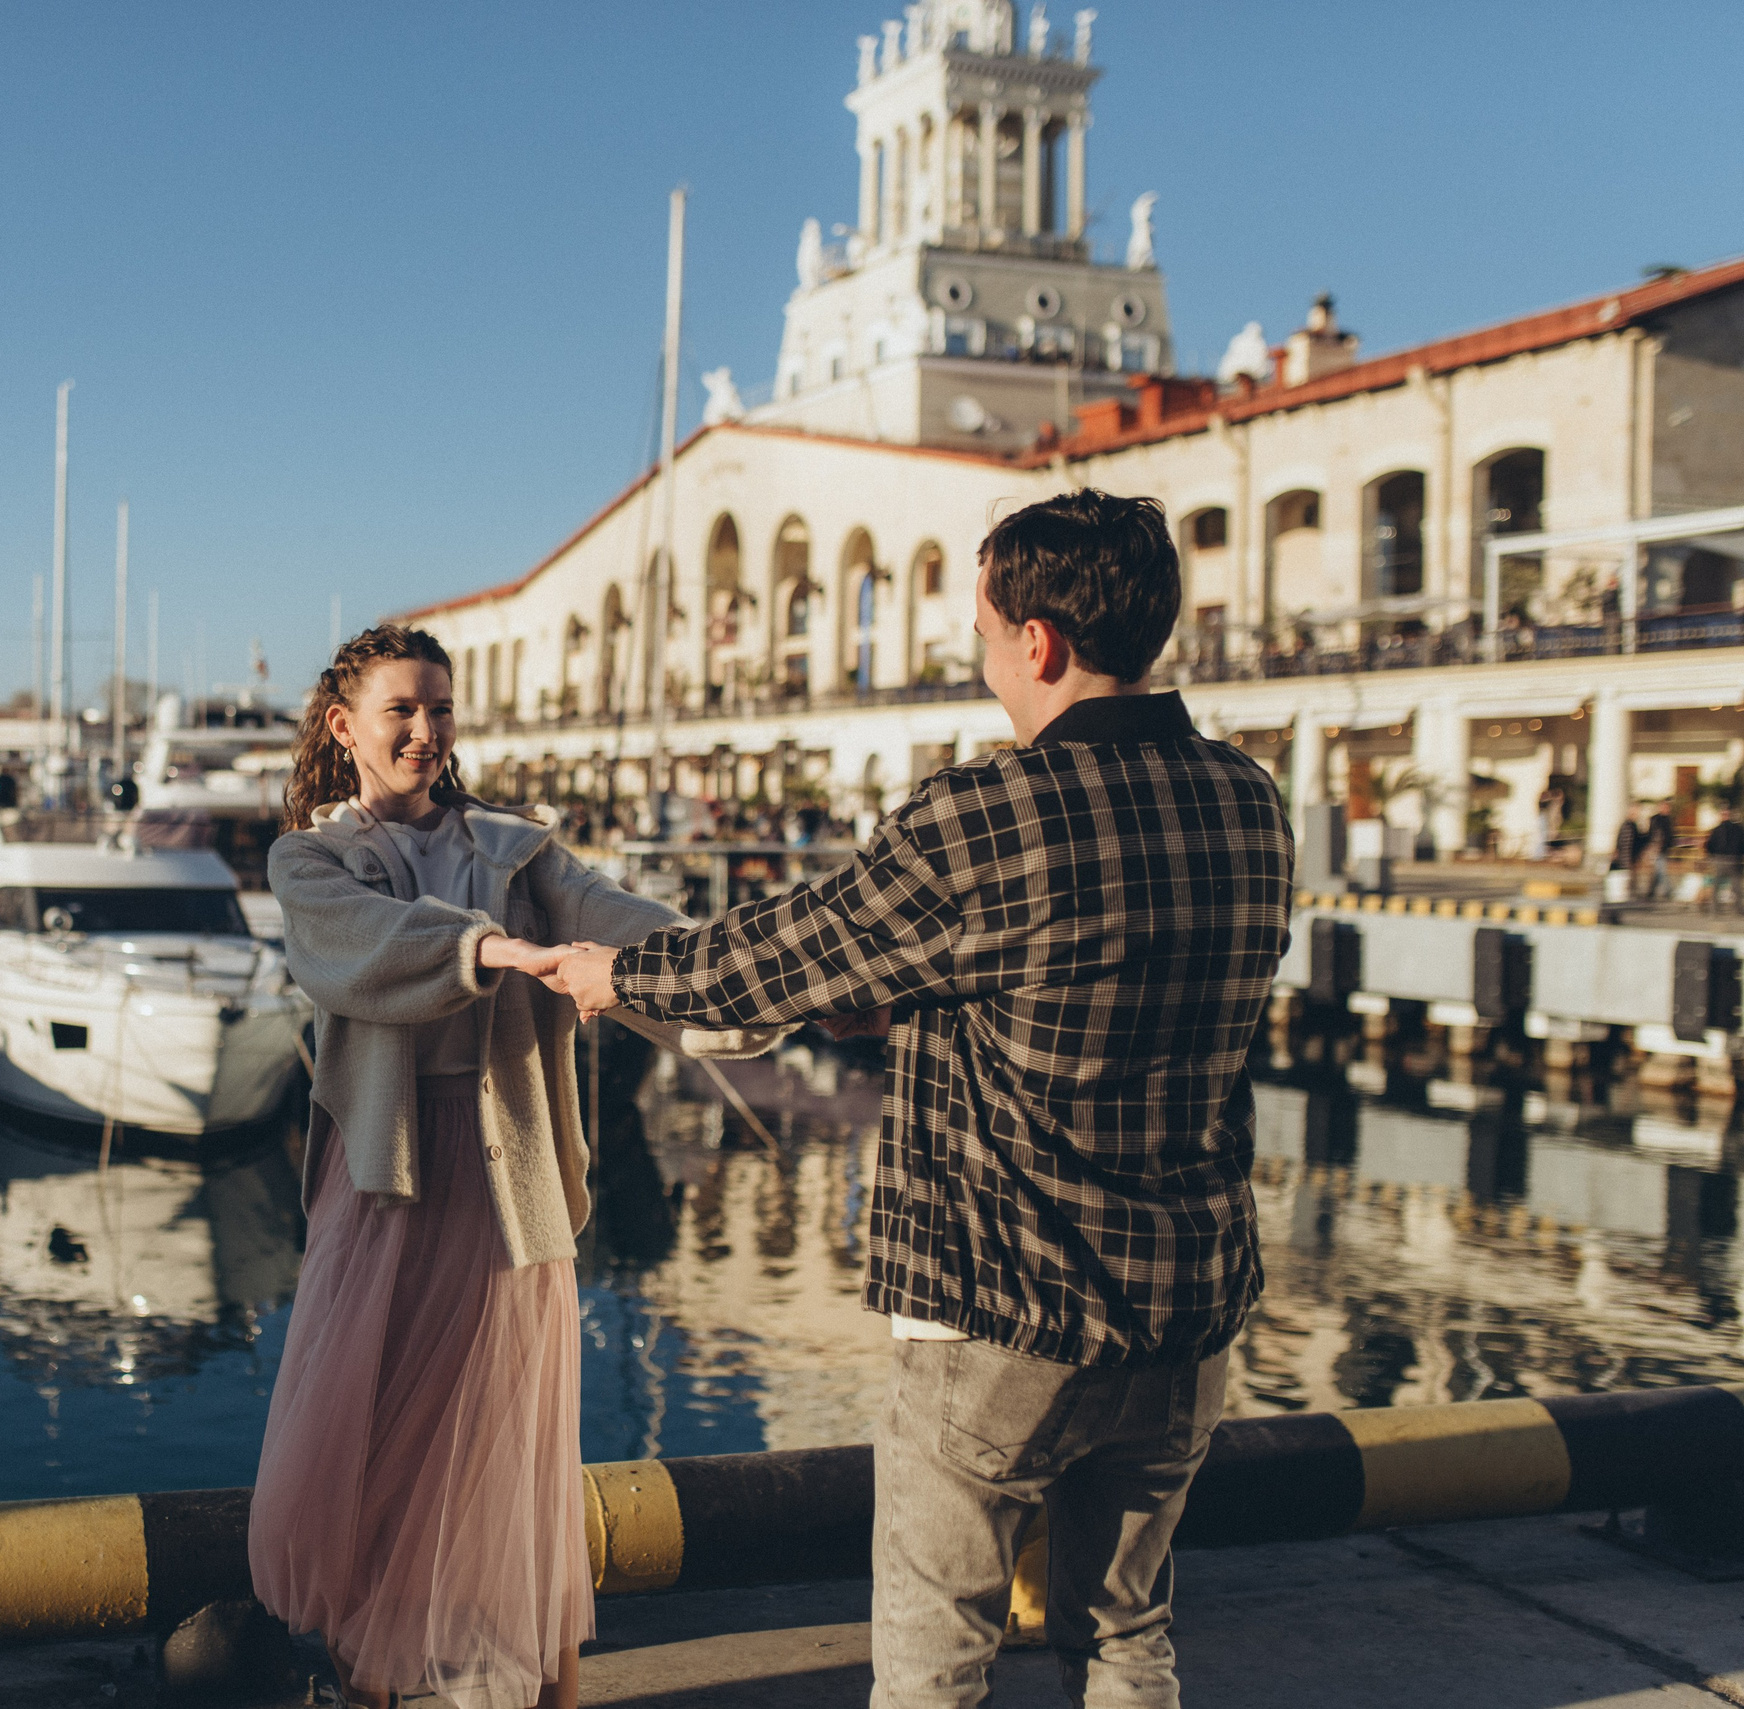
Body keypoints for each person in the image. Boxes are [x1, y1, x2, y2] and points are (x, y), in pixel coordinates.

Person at [549, 491, 1292, 1709]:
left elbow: (774, 957)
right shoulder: (1247, 799)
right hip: (1186, 1302)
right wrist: (910, 1002)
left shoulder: (986, 811)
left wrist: (610, 971)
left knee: (933, 1658)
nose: (986, 659)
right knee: (1124, 1632)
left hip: (1007, 1299)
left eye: (989, 632)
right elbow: (1101, 973)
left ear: (1039, 642)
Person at [247, 624, 771, 1709]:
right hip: (388, 1182)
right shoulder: (313, 859)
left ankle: (546, 1691)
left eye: (440, 708)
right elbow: (364, 946)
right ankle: (366, 1687)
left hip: (508, 1181)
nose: (427, 731)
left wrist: (759, 987)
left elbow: (643, 937)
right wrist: (496, 950)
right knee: (366, 1441)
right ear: (346, 725)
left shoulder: (520, 854)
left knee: (512, 1446)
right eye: (403, 709)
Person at [1704, 808, 1744, 914]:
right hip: (1733, 860)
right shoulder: (1738, 829)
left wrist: (1712, 856)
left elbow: (1709, 845)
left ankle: (1715, 909)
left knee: (1717, 886)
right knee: (1736, 886)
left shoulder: (1717, 829)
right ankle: (1738, 909)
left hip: (1721, 860)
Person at [1644, 799, 1679, 901]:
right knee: (1661, 870)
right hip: (1656, 849)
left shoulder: (1669, 820)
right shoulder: (1655, 819)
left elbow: (1671, 836)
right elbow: (1651, 834)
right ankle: (1668, 891)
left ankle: (1651, 892)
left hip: (1663, 849)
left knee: (1658, 870)